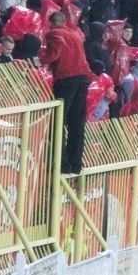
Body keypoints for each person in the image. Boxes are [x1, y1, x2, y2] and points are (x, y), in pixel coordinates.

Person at [39, 11, 92, 175]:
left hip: (66, 79)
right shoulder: (75, 34)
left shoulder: (55, 33)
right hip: (82, 78)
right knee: (77, 123)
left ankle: (61, 164)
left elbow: (55, 52)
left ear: (51, 23)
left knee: (58, 121)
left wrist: (41, 58)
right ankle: (76, 164)